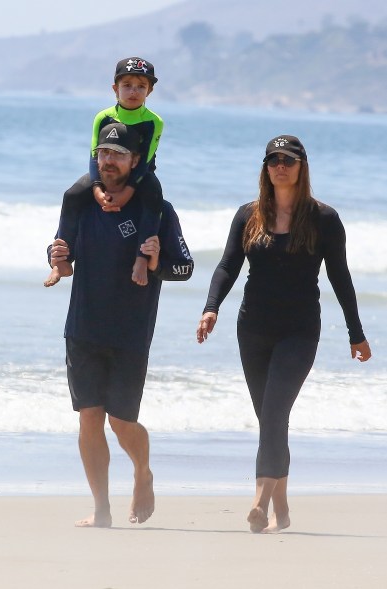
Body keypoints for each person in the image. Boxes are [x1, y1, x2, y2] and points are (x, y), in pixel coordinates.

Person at [196, 135, 371, 534]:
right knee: (270, 420)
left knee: (274, 412)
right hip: (252, 328)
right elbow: (227, 267)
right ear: (265, 167)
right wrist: (211, 308)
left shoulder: (324, 219)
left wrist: (355, 333)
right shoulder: (249, 215)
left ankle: (259, 502)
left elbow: (340, 277)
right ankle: (284, 509)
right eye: (273, 159)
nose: (280, 166)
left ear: (301, 167)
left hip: (299, 331)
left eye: (288, 160)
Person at [47, 122, 193, 527]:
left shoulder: (156, 210)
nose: (109, 161)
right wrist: (55, 256)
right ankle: (101, 509)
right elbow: (63, 252)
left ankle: (142, 473)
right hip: (83, 327)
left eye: (118, 154)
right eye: (104, 154)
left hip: (131, 331)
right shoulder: (81, 201)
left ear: (134, 161)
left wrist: (157, 259)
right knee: (89, 417)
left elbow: (184, 267)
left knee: (121, 421)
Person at [44, 56, 164, 288]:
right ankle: (62, 261)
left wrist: (128, 191)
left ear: (149, 91)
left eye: (141, 86)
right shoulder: (103, 116)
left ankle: (142, 259)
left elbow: (145, 161)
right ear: (115, 88)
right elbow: (93, 156)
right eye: (127, 85)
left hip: (140, 174)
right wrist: (97, 189)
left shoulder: (154, 121)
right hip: (104, 173)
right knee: (72, 195)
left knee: (155, 198)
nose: (133, 91)